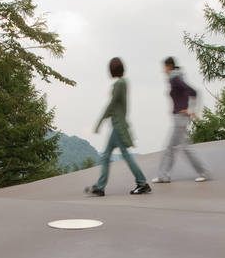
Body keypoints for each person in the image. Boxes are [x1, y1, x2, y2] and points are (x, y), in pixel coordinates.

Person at [85, 57, 151, 197]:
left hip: (118, 127)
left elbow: (111, 105)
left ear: (112, 70)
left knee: (122, 156)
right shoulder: (124, 82)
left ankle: (142, 183)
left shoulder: (119, 84)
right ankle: (101, 186)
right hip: (118, 126)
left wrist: (99, 122)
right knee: (108, 155)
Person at [152, 56, 210, 183]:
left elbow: (194, 91)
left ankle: (203, 172)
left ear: (169, 66)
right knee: (174, 147)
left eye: (164, 67)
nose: (163, 70)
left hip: (180, 118)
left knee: (182, 147)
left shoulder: (175, 79)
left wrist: (191, 110)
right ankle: (164, 175)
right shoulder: (175, 78)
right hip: (179, 117)